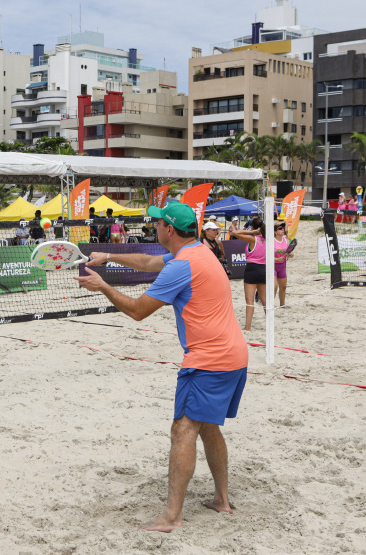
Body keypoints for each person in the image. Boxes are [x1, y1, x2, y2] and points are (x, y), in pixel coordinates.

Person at [74, 201, 248, 532]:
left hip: (209, 360)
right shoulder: (199, 251)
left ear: (169, 229)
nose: (154, 227)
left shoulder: (181, 266)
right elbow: (148, 261)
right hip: (235, 355)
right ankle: (222, 500)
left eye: (157, 223)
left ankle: (171, 517)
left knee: (183, 429)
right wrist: (108, 256)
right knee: (208, 426)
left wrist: (104, 286)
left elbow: (138, 311)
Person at [231, 219, 267, 331]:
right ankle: (270, 324)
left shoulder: (253, 239)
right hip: (264, 269)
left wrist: (252, 232)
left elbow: (235, 233)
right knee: (265, 300)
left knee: (249, 300)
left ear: (252, 227)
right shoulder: (268, 239)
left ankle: (248, 327)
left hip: (252, 269)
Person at [273, 222, 294, 306]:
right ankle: (270, 304)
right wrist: (276, 259)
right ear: (275, 232)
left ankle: (282, 305)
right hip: (273, 265)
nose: (282, 230)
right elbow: (266, 256)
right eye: (280, 229)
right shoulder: (271, 241)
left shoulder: (286, 240)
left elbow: (291, 253)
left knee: (283, 287)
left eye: (283, 228)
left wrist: (290, 254)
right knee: (274, 286)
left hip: (282, 265)